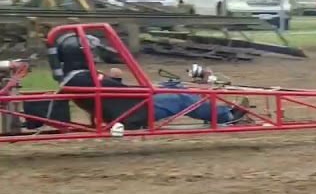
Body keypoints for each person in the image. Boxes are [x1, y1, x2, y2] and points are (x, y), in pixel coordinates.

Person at [50, 33, 248, 129]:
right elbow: (121, 91)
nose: (93, 56)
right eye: (90, 52)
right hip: (133, 112)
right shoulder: (86, 78)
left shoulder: (74, 77)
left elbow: (117, 90)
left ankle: (212, 112)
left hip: (127, 107)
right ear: (80, 54)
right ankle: (229, 116)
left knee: (172, 86)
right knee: (180, 97)